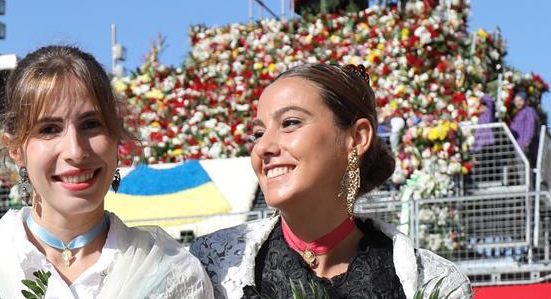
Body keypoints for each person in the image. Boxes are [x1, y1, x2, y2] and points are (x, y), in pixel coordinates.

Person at [0, 45, 212, 298]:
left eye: (91, 125)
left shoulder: (173, 274)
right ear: (16, 149)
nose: (76, 151)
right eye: (49, 129)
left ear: (116, 137)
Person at [190, 63, 470, 299]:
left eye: (289, 123)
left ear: (357, 137)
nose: (263, 147)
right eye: (258, 133)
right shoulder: (210, 266)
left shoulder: (437, 283)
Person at [507, 91, 540, 158]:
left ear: (525, 100)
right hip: (517, 147)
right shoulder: (517, 115)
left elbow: (531, 125)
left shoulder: (529, 111)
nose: (518, 103)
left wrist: (527, 141)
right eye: (516, 101)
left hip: (524, 145)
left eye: (520, 100)